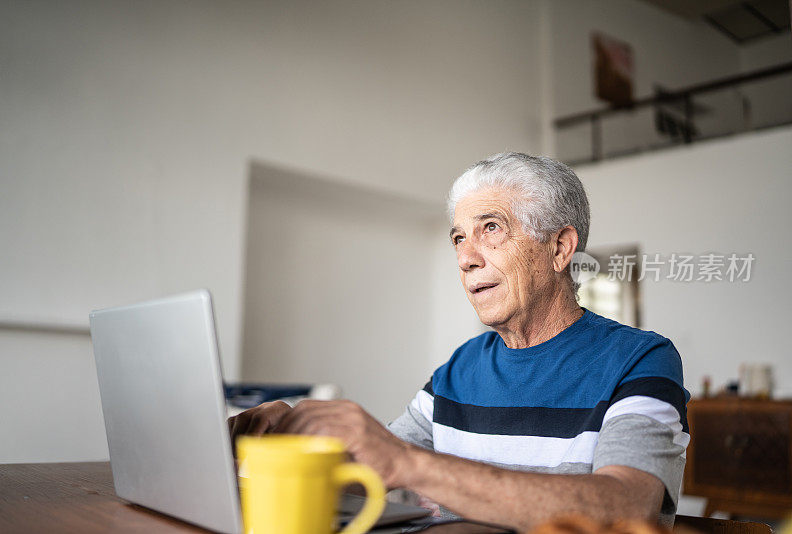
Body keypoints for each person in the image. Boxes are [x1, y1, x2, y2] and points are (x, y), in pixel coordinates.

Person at [228, 153, 689, 531]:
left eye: (491, 228)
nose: (466, 258)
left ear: (560, 248)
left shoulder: (640, 359)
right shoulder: (459, 369)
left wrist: (410, 463)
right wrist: (289, 442)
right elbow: (367, 470)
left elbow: (629, 509)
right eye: (458, 238)